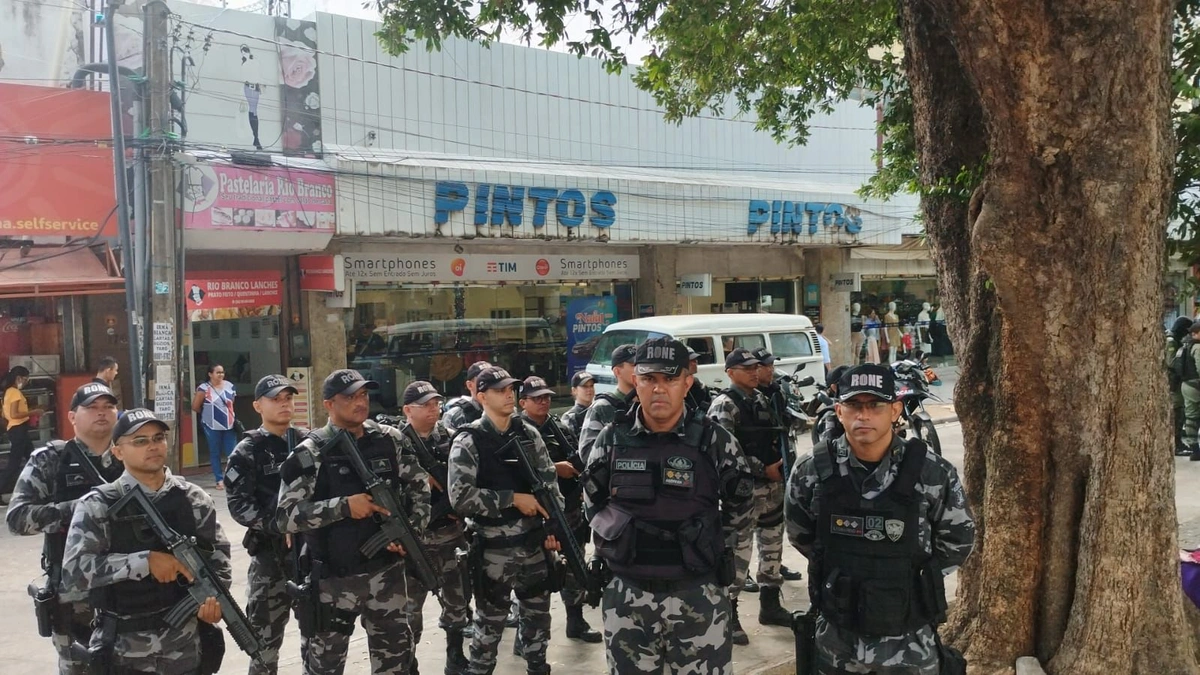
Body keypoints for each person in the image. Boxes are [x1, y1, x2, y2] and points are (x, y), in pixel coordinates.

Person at [786, 364, 976, 674]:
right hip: (837, 640)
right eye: (853, 405)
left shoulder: (932, 471)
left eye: (875, 405)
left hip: (909, 642)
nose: (864, 415)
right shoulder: (811, 470)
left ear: (895, 410)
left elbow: (958, 540)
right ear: (839, 411)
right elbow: (800, 533)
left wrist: (902, 574)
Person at [583, 337, 753, 673]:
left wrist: (716, 560)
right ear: (635, 381)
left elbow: (741, 509)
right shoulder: (612, 437)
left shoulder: (714, 439)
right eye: (648, 379)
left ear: (687, 382)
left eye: (669, 379)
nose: (658, 389)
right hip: (628, 597)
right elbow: (592, 504)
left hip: (698, 594)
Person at [277, 369, 431, 675]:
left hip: (387, 574)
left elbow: (419, 489)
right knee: (326, 667)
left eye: (363, 395)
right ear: (328, 404)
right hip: (334, 579)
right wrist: (343, 506)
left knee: (396, 662)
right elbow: (286, 517)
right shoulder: (310, 453)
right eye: (350, 397)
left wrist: (410, 530)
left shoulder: (390, 440)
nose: (360, 403)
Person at [61, 408, 232, 675]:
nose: (152, 446)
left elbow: (219, 558)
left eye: (158, 438)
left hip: (185, 649)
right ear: (117, 452)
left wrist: (211, 601)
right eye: (140, 441)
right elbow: (74, 574)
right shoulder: (99, 505)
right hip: (123, 650)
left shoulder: (194, 499)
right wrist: (143, 562)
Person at [448, 366, 565, 675]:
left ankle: (537, 666)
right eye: (500, 390)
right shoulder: (469, 440)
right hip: (493, 549)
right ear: (481, 396)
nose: (508, 395)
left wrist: (553, 525)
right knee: (489, 626)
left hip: (534, 544)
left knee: (538, 619)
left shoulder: (528, 433)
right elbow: (459, 497)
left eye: (511, 389)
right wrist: (511, 498)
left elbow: (550, 484)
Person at [6, 383, 124, 674]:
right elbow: (18, 518)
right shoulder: (50, 460)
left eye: (108, 407)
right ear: (72, 416)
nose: (102, 413)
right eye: (92, 407)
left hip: (130, 585)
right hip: (74, 594)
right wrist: (82, 509)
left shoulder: (132, 455)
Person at [706, 348, 791, 643]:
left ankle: (770, 605)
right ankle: (730, 616)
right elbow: (722, 454)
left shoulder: (763, 398)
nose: (755, 372)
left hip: (773, 487)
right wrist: (761, 469)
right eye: (747, 368)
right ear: (730, 372)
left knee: (772, 547)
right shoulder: (724, 405)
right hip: (743, 491)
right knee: (738, 553)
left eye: (756, 367)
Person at [223, 375, 300, 675]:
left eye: (288, 398)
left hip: (309, 555)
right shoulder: (247, 450)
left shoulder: (308, 441)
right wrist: (279, 524)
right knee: (264, 645)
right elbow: (239, 505)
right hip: (270, 558)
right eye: (276, 399)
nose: (284, 403)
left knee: (320, 636)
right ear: (257, 405)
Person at [518, 375, 602, 644]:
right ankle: (526, 636)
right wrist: (557, 468)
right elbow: (517, 472)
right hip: (537, 514)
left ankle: (575, 620)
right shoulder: (517, 431)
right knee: (533, 576)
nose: (543, 402)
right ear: (523, 402)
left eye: (547, 397)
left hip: (569, 509)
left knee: (575, 567)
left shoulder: (558, 426)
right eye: (536, 398)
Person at [396, 380, 472, 674]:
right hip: (414, 542)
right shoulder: (395, 443)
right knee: (409, 611)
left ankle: (455, 655)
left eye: (436, 404)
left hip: (451, 536)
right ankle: (409, 663)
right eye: (425, 405)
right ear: (407, 410)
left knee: (457, 602)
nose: (433, 410)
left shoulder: (452, 438)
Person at [749, 348, 804, 587]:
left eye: (772, 365)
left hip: (778, 473)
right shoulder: (742, 399)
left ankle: (772, 568)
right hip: (752, 480)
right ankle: (741, 576)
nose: (770, 369)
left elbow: (786, 425)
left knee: (773, 530)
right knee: (742, 535)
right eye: (764, 365)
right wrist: (761, 469)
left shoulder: (774, 392)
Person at [578, 344, 638, 459]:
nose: (639, 369)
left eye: (641, 364)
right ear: (617, 372)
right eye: (633, 365)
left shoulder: (649, 404)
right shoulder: (603, 407)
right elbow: (587, 454)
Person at [1, 365, 44, 504]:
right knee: (14, 464)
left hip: (17, 429)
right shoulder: (14, 392)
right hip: (18, 429)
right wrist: (33, 412)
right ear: (18, 378)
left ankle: (38, 489)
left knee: (33, 460)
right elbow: (14, 414)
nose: (26, 382)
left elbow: (5, 414)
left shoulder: (8, 392)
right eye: (25, 379)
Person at [192, 363, 237, 489]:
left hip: (229, 424)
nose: (221, 375)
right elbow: (195, 406)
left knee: (232, 453)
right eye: (217, 372)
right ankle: (219, 479)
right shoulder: (204, 388)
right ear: (210, 374)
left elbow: (231, 403)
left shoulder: (230, 386)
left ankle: (232, 479)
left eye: (222, 372)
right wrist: (208, 415)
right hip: (211, 426)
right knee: (215, 452)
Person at [1170, 317, 1197, 456]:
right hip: (1173, 382)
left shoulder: (1180, 342)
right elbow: (1171, 362)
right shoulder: (1171, 341)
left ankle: (1178, 442)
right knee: (1177, 413)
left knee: (1181, 413)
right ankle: (1175, 443)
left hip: (1179, 382)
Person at [443, 361, 493, 434]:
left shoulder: (506, 409)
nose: (489, 385)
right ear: (470, 385)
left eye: (492, 381)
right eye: (483, 381)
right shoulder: (456, 414)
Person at [1181, 321, 1200, 460]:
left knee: (1191, 418)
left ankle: (1194, 449)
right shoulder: (1197, 347)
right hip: (1196, 386)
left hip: (1186, 385)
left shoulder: (1186, 345)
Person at [560, 371, 595, 438]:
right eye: (585, 386)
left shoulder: (598, 410)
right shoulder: (570, 417)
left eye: (591, 386)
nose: (589, 389)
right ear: (574, 390)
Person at [684, 347, 713, 412]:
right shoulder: (674, 387)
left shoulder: (700, 386)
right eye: (691, 360)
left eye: (695, 359)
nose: (695, 362)